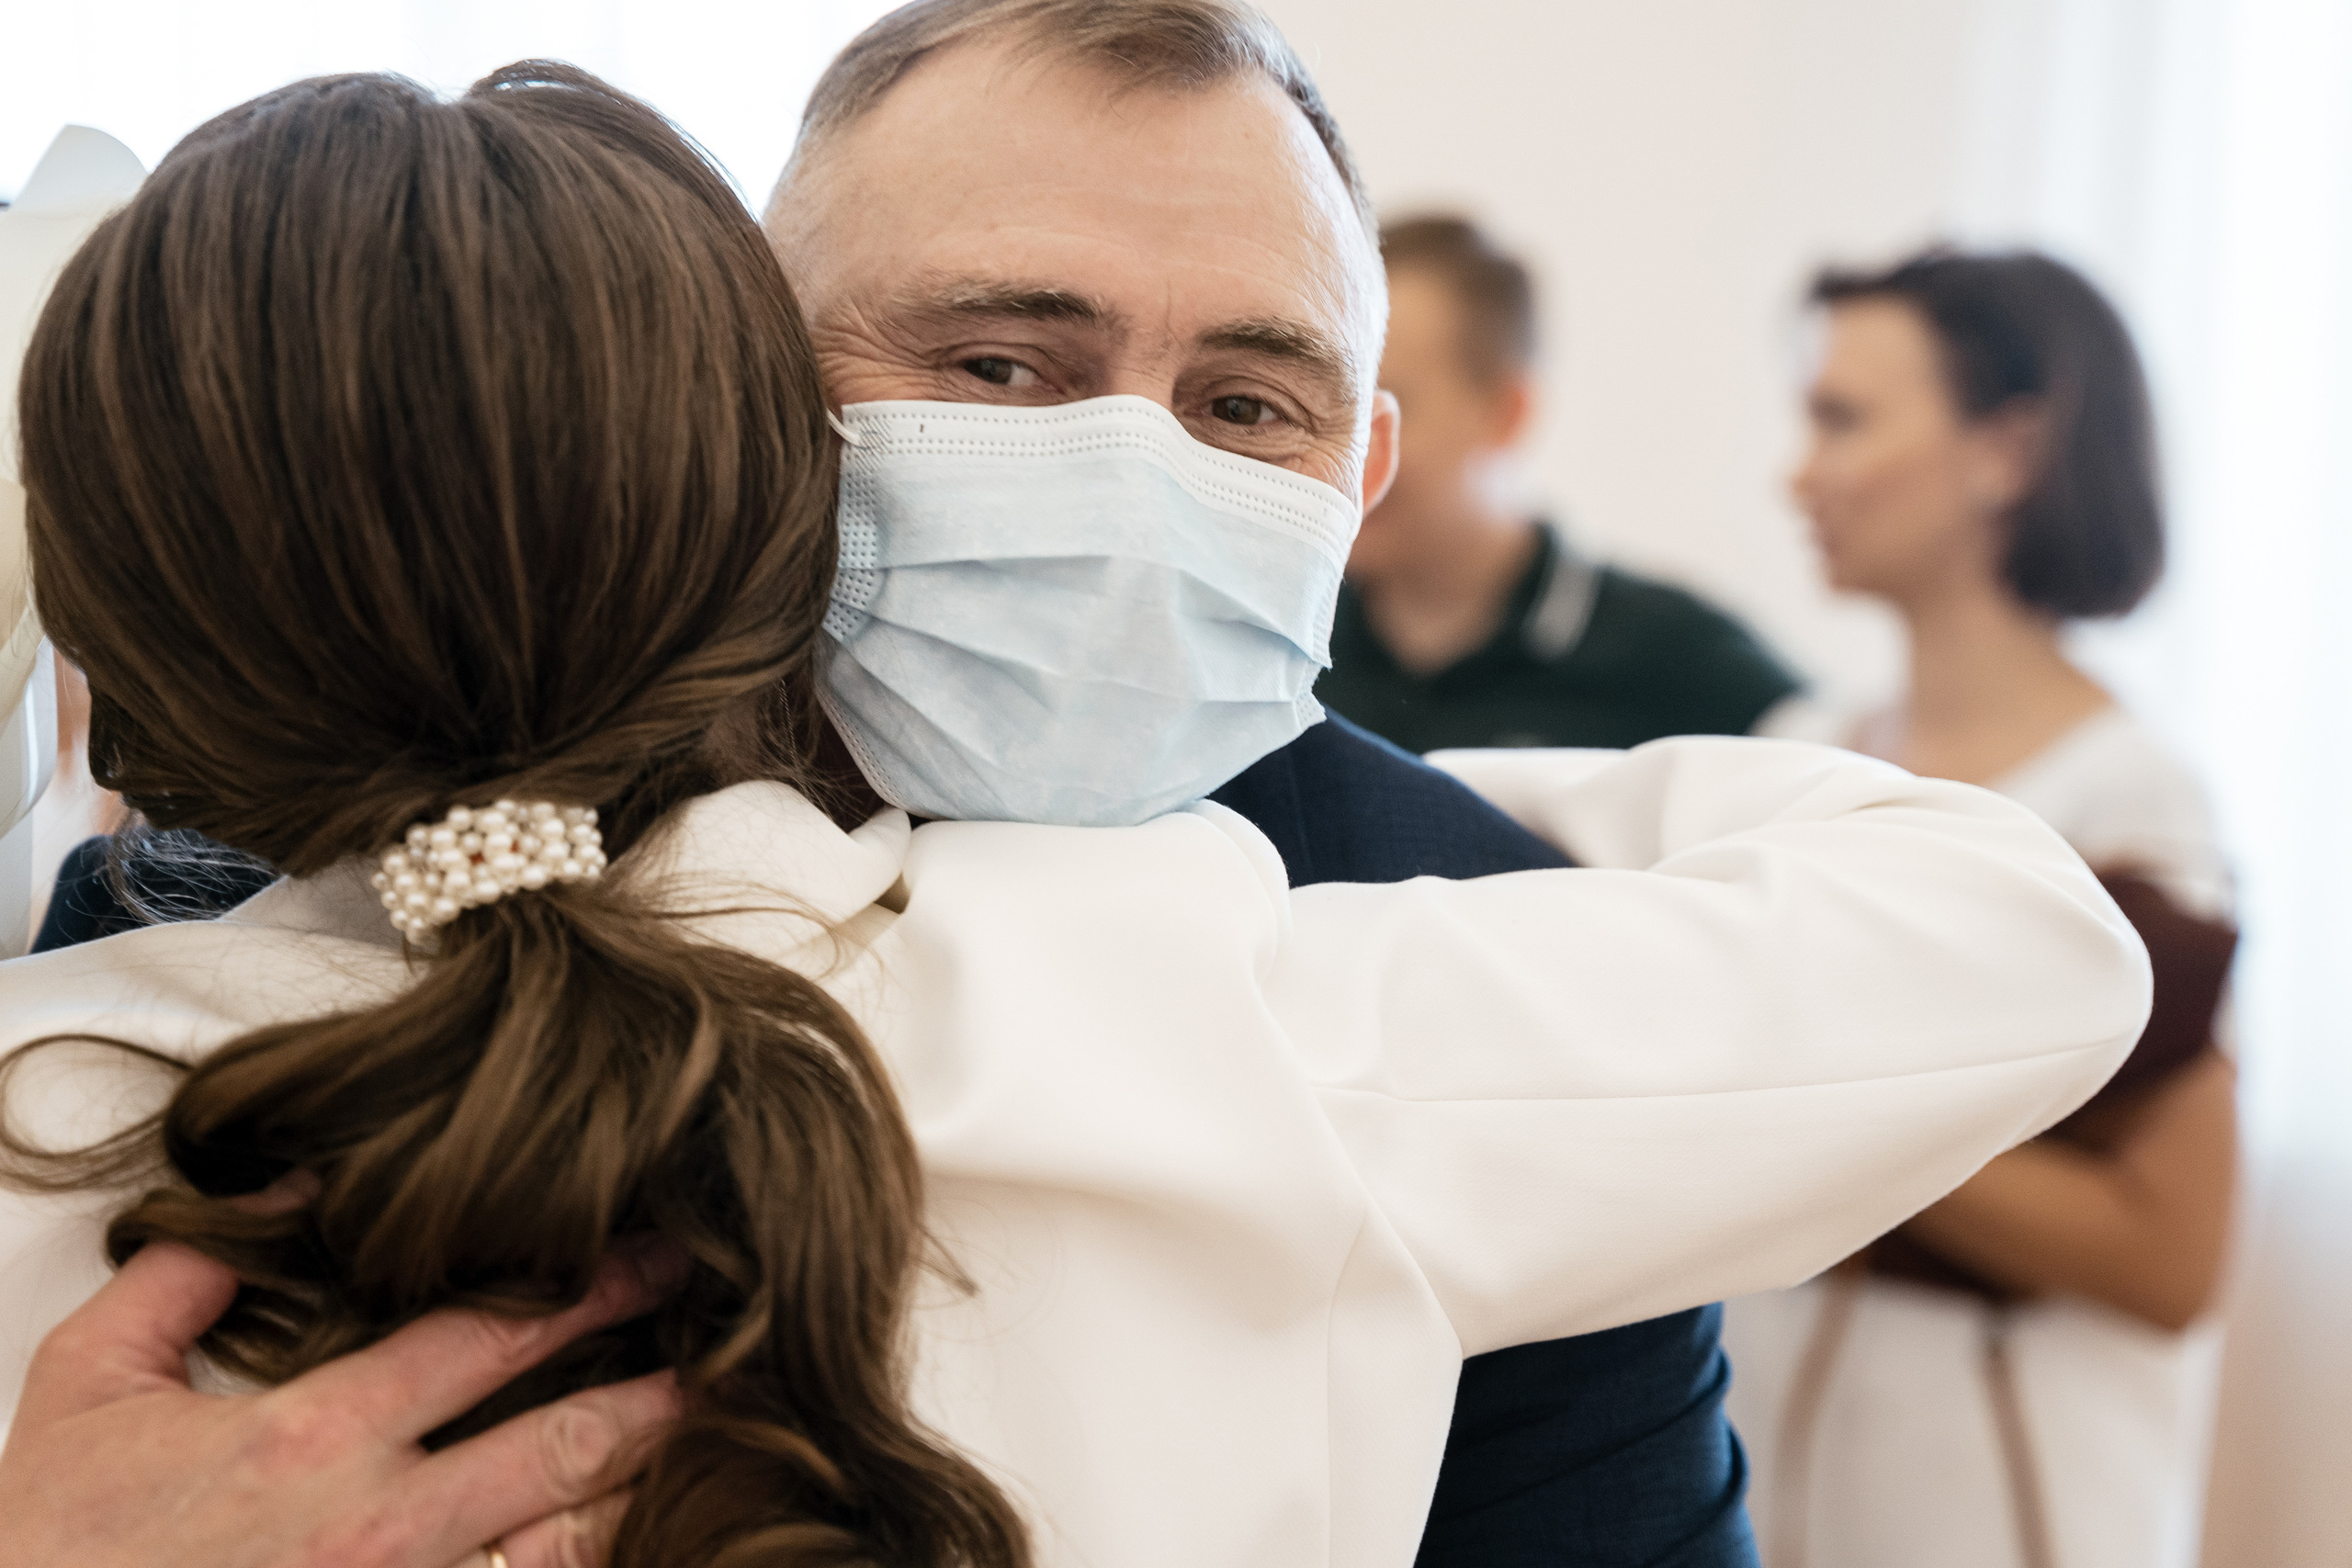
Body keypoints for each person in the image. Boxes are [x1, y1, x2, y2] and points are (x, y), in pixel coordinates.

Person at [0, 17, 2144, 1568]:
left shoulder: (1431, 923)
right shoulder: (220, 924)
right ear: (747, 395)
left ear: (1357, 477)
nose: (1126, 475)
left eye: (1245, 399)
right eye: (993, 368)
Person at [1723, 248, 2238, 1568]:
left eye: (1844, 418)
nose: (1798, 472)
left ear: (2008, 448)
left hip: (2012, 1513)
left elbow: (2167, 1257)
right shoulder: (1796, 751)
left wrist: (1818, 1098)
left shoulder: (2133, 809)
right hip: (1760, 1494)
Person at [1318, 215, 1802, 754]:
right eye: (1320, 404)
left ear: (1507, 415)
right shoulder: (1281, 644)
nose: (1338, 451)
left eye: (1381, 406)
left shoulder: (1675, 662)